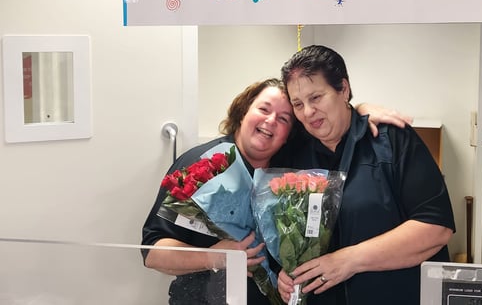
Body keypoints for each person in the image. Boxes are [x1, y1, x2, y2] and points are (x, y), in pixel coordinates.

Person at [141, 77, 411, 304]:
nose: (271, 121)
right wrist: (218, 256)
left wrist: (360, 110)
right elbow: (153, 252)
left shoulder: (294, 171)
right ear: (243, 112)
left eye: (283, 119)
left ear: (289, 134)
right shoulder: (204, 166)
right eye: (263, 109)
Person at [277, 45, 456, 305]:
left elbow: (436, 228)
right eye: (297, 104)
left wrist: (348, 260)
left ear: (343, 89)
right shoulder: (293, 155)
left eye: (316, 97)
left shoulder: (391, 140)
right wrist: (284, 272)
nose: (307, 111)